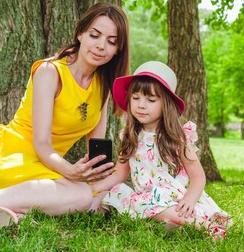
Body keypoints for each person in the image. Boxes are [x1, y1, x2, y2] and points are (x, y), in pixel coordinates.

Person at [0, 3, 130, 226]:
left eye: (111, 41)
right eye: (95, 35)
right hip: (10, 158)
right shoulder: (50, 71)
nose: (101, 46)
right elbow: (42, 144)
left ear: (118, 49)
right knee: (83, 195)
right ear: (80, 33)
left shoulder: (103, 87)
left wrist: (98, 175)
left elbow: (95, 152)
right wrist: (71, 173)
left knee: (103, 194)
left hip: (44, 169)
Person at [89, 61, 232, 240]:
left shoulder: (177, 138)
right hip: (145, 195)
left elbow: (198, 176)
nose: (141, 105)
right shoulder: (130, 134)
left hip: (172, 196)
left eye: (150, 100)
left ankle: (206, 226)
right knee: (112, 194)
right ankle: (168, 223)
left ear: (166, 103)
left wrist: (189, 200)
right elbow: (119, 174)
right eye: (135, 98)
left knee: (158, 205)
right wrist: (93, 188)